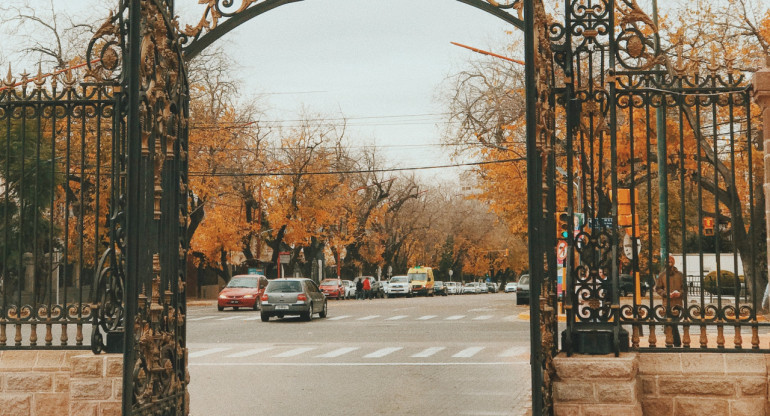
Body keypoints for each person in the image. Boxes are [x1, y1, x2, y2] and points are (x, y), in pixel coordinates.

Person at [656, 255, 684, 347]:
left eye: (670, 262)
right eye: (667, 262)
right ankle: (672, 342)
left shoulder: (680, 275)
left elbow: (685, 288)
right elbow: (658, 288)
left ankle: (675, 342)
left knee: (674, 323)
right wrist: (665, 294)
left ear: (673, 263)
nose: (668, 264)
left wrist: (680, 293)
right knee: (668, 324)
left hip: (677, 303)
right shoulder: (662, 275)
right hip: (666, 303)